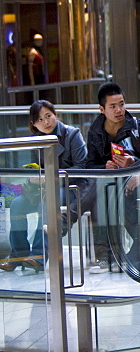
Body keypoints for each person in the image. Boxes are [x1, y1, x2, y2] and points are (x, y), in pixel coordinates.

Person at [1, 101, 89, 273]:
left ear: (55, 114)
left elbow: (82, 167)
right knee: (18, 205)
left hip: (70, 187)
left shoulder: (72, 134)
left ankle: (38, 256)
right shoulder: (36, 140)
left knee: (46, 203)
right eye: (40, 120)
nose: (46, 122)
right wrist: (34, 179)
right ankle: (18, 256)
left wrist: (53, 176)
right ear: (34, 124)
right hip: (44, 188)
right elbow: (36, 168)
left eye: (48, 116)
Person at [86, 82, 140, 270]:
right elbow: (90, 164)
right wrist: (104, 166)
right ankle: (106, 255)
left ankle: (136, 248)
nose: (119, 110)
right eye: (113, 106)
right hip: (108, 182)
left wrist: (134, 163)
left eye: (122, 104)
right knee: (102, 195)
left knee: (116, 197)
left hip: (133, 180)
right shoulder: (95, 132)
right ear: (102, 109)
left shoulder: (138, 127)